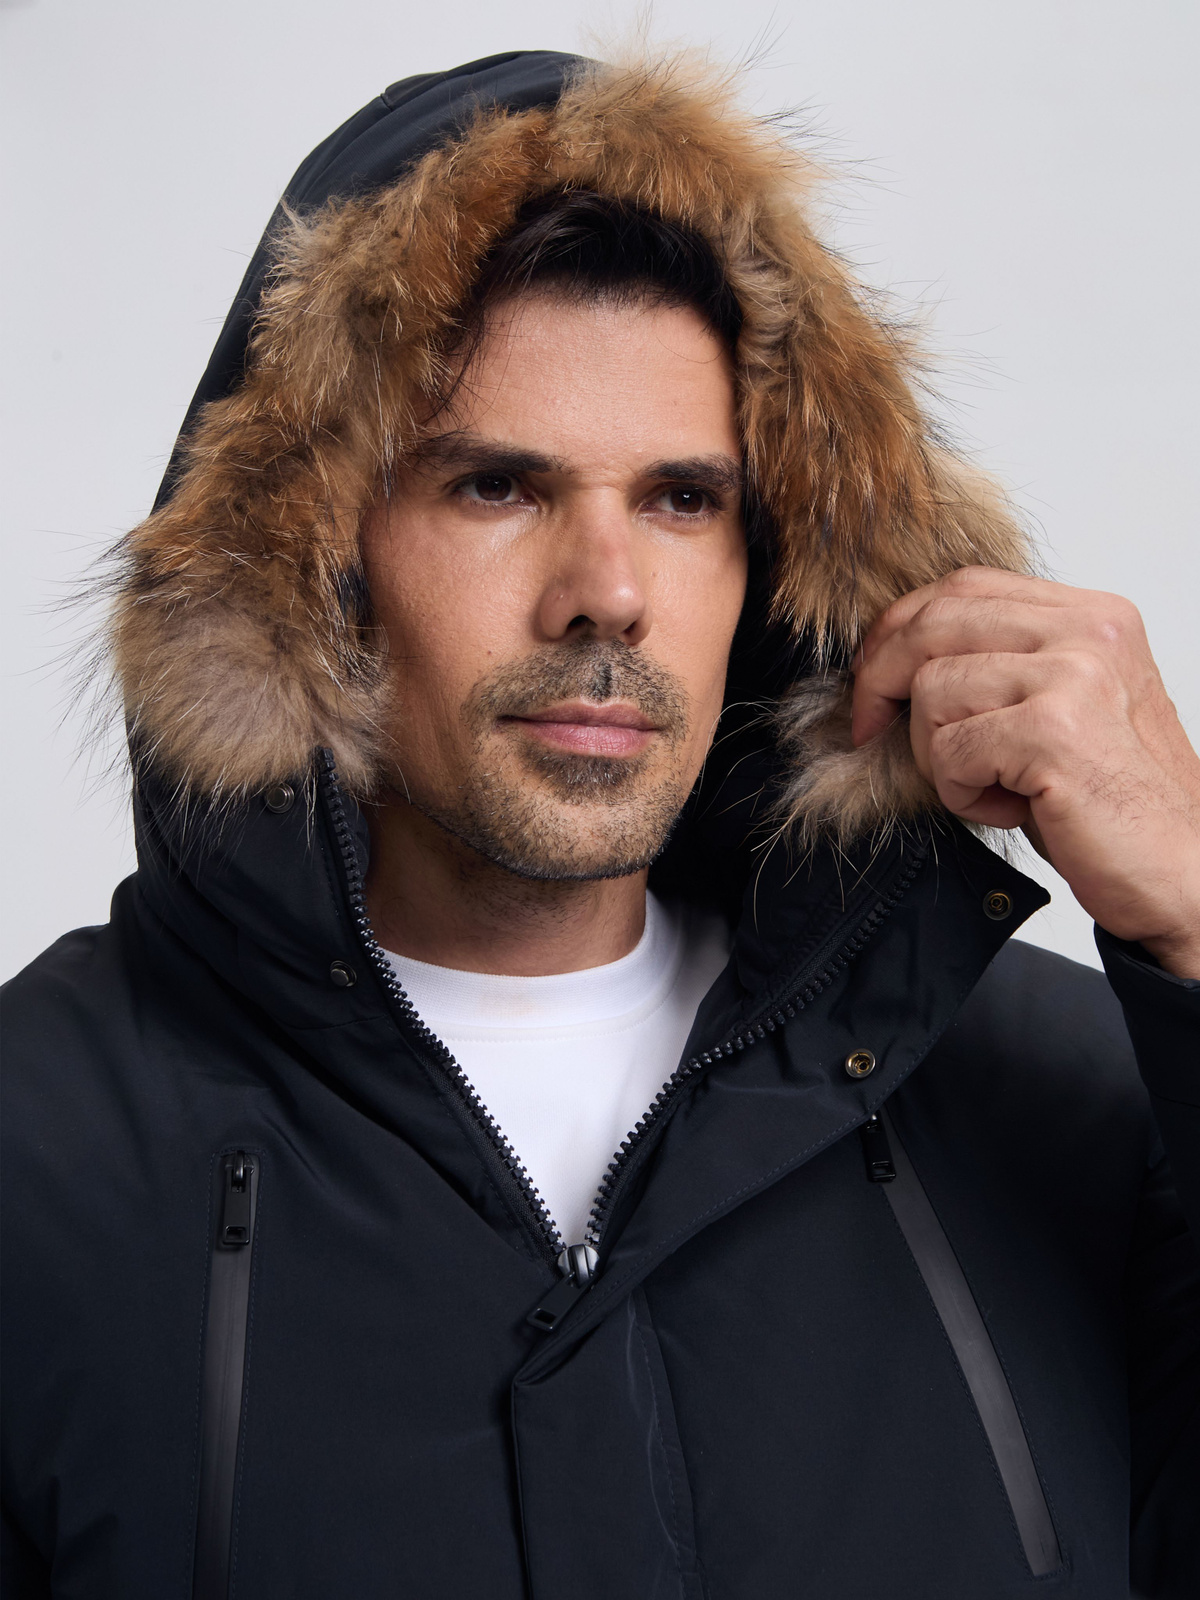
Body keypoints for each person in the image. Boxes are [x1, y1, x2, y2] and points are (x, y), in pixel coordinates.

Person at [3, 49, 1198, 1600]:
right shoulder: (40, 1156)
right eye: (498, 487)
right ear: (312, 565)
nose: (609, 594)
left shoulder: (1078, 1099)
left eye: (684, 500)